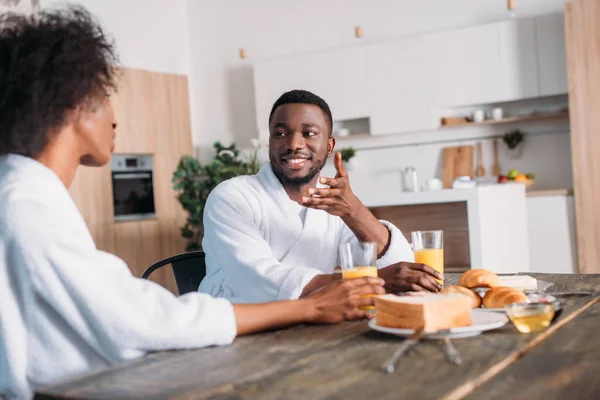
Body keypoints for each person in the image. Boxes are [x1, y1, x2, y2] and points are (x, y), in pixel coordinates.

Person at [0, 8, 385, 399]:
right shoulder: (25, 206)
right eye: (104, 97)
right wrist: (311, 308)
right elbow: (142, 320)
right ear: (69, 105)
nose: (115, 120)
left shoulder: (24, 195)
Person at [199, 90, 442, 304]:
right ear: (270, 142)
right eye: (280, 134)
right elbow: (260, 279)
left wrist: (353, 211)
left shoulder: (332, 206)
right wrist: (375, 281)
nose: (294, 144)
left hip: (311, 325)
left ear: (329, 145)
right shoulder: (231, 197)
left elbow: (397, 265)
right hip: (235, 332)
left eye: (309, 133)